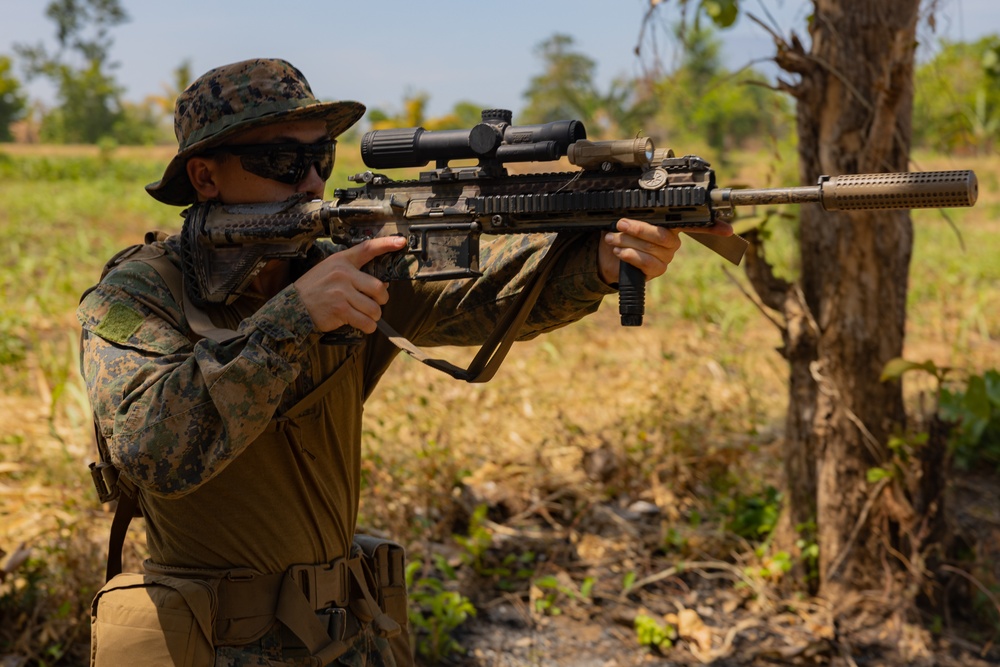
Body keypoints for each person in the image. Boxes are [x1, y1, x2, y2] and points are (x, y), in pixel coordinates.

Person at [78, 58, 732, 666]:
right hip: (210, 644)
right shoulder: (139, 294)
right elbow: (151, 445)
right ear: (205, 176)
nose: (309, 181)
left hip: (342, 635)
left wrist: (596, 263)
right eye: (281, 159)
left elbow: (481, 297)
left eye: (320, 156)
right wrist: (295, 317)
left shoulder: (340, 265)